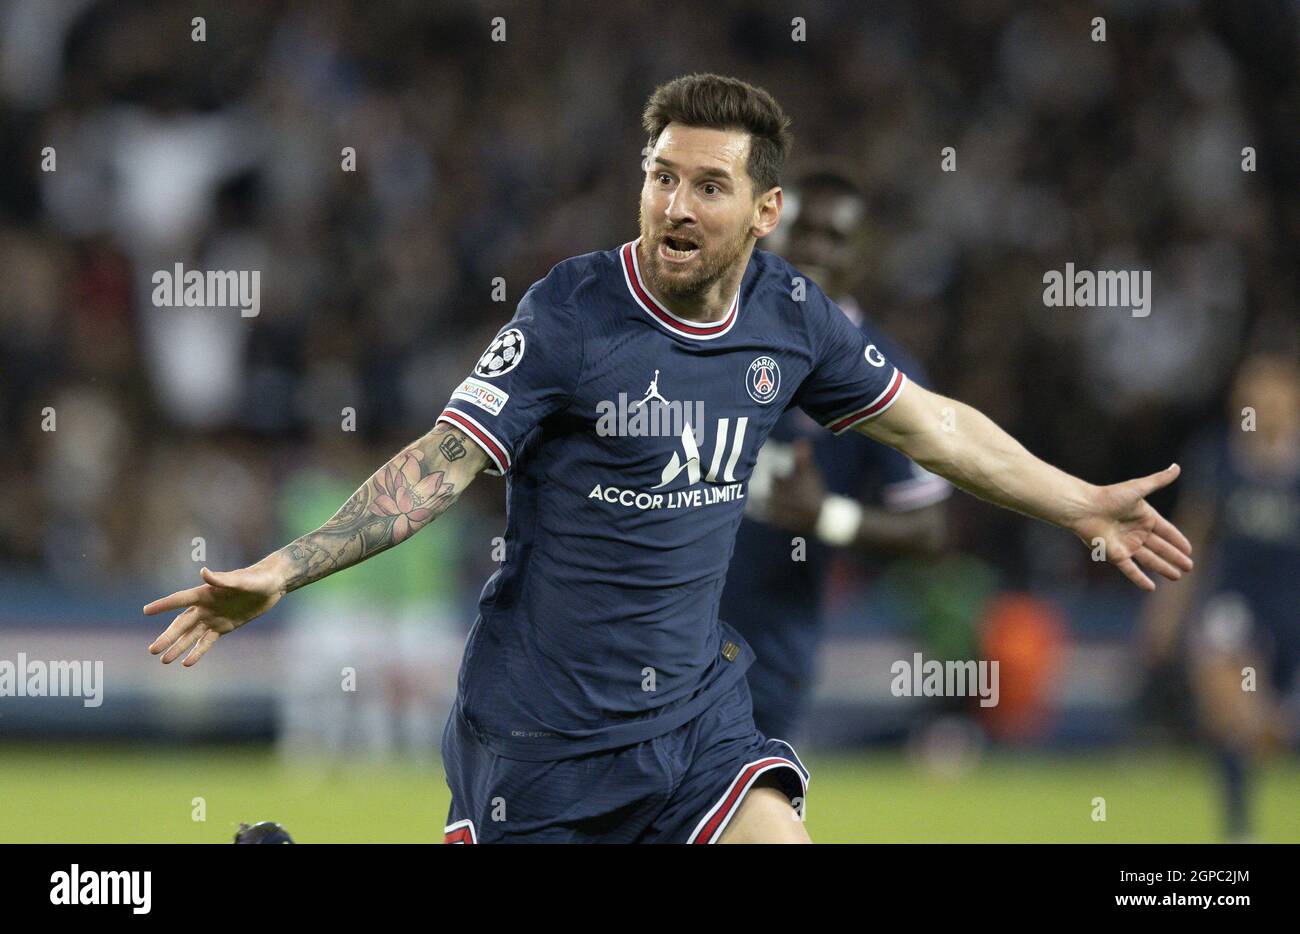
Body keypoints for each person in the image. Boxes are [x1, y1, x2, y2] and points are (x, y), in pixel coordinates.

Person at [145, 73, 1192, 844]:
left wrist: (1081, 505)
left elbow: (935, 428)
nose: (675, 206)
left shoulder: (791, 316)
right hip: (539, 732)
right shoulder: (571, 311)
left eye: (707, 185)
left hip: (692, 722)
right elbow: (442, 465)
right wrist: (281, 568)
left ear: (764, 212)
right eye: (660, 178)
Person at [721, 170, 950, 742]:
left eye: (836, 236)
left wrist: (827, 517)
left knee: (751, 822)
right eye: (803, 230)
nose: (815, 249)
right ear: (770, 231)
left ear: (862, 258)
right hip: (653, 631)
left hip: (764, 649)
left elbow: (927, 529)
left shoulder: (883, 375)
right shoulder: (709, 331)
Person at [1141, 351, 1298, 840]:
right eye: (1251, 391)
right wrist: (1166, 610)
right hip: (1235, 606)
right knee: (1231, 713)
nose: (1259, 402)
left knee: (1271, 729)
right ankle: (1239, 830)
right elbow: (1194, 539)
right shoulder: (1220, 459)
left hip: (1293, 609)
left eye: (1272, 391)